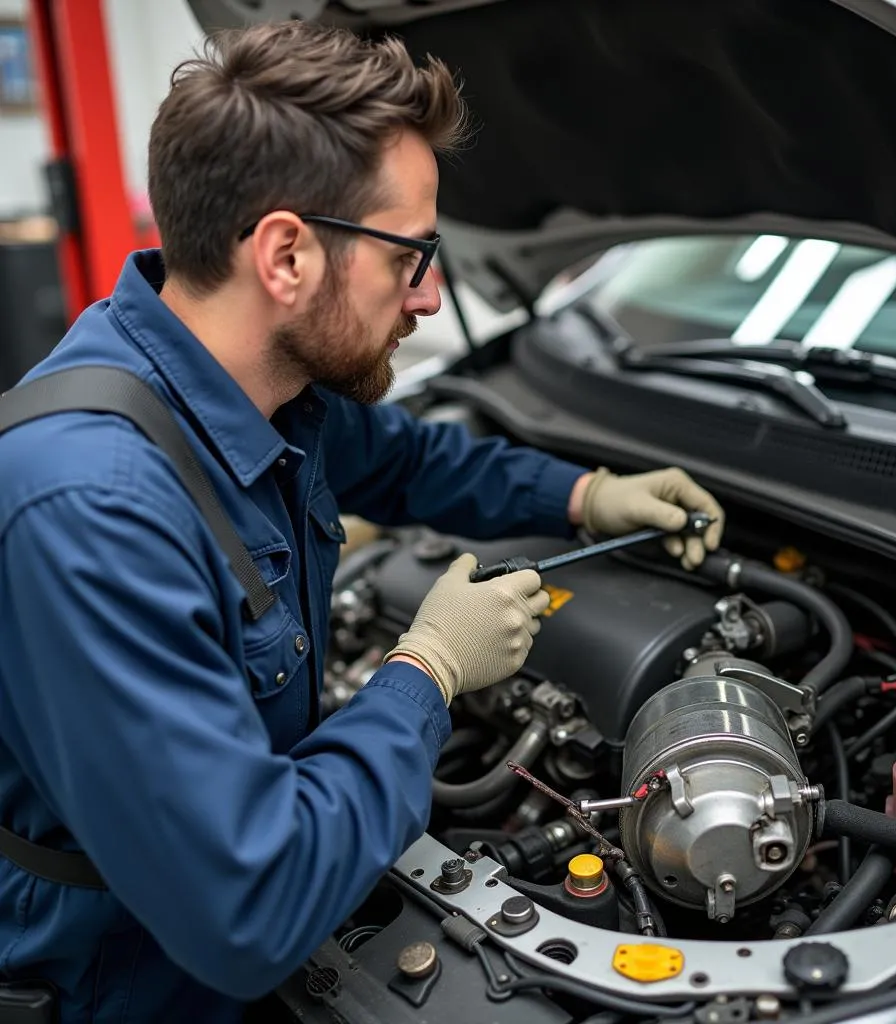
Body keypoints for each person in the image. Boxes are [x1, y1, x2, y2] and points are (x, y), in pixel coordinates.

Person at [0, 20, 724, 1023]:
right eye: (409, 255)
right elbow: (249, 907)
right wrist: (424, 671)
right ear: (286, 254)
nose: (427, 296)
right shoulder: (92, 507)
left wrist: (583, 493)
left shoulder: (244, 381)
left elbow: (408, 458)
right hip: (128, 987)